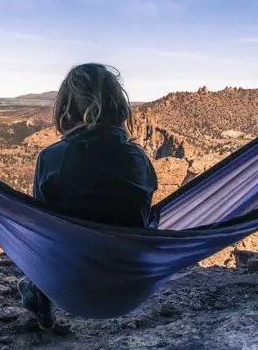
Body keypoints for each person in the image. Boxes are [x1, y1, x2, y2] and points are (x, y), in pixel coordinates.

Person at [17, 63, 159, 329]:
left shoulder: (51, 159)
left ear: (66, 107)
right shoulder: (138, 159)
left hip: (70, 283)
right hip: (130, 281)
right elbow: (146, 204)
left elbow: (42, 224)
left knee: (38, 237)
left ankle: (39, 295)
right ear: (118, 106)